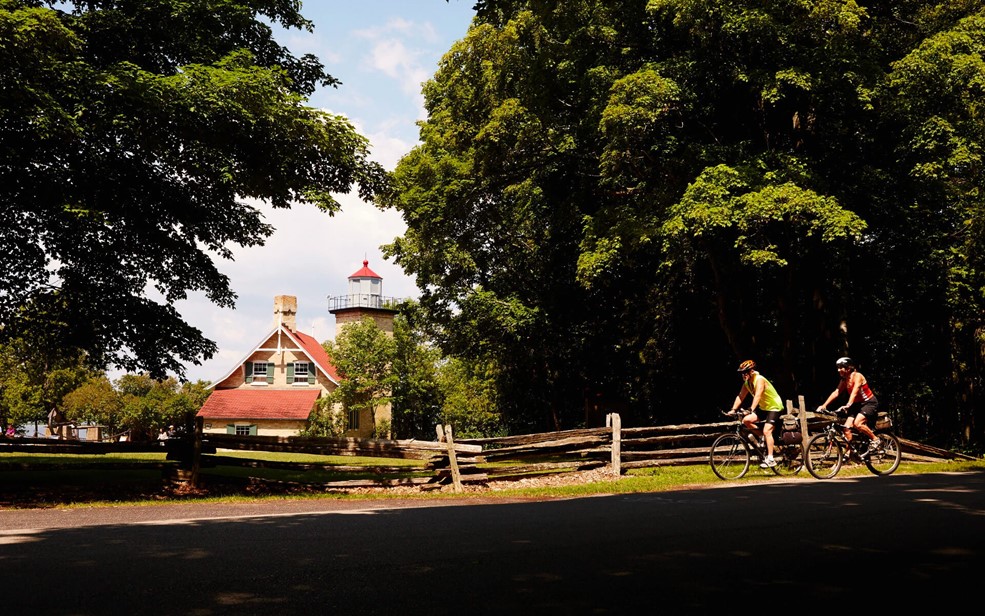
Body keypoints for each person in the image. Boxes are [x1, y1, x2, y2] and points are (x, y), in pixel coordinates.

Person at [816, 356, 882, 454]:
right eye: (837, 367)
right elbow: (837, 392)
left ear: (848, 368)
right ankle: (849, 453)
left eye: (840, 367)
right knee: (846, 428)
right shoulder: (844, 380)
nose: (838, 370)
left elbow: (854, 392)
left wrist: (848, 405)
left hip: (869, 403)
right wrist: (824, 405)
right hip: (857, 405)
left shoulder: (858, 376)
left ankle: (876, 440)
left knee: (857, 423)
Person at [729, 359, 785, 468]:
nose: (743, 375)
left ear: (751, 371)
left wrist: (750, 409)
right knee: (746, 420)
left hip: (774, 407)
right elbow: (741, 396)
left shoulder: (759, 379)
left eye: (745, 372)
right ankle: (762, 438)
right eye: (741, 373)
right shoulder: (747, 383)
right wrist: (733, 410)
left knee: (767, 430)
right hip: (764, 408)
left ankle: (770, 458)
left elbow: (758, 395)